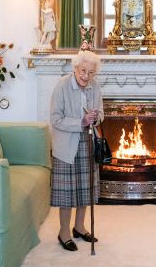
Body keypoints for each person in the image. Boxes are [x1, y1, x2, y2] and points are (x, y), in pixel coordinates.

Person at [50, 51, 103, 252]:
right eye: (83, 71)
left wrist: (95, 117)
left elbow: (102, 113)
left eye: (91, 73)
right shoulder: (62, 85)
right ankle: (64, 232)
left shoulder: (95, 87)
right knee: (67, 193)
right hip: (66, 145)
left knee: (84, 189)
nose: (86, 76)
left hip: (88, 141)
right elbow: (55, 119)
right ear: (75, 68)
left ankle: (79, 227)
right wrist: (80, 121)